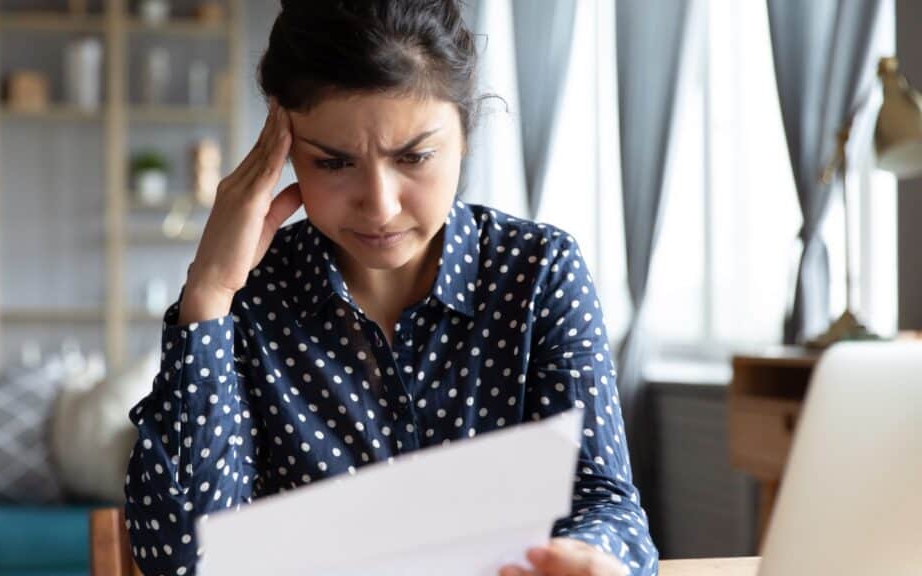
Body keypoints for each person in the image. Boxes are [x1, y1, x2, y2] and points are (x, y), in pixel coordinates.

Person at [123, 1, 658, 575]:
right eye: (333, 163)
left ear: (464, 133)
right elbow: (182, 561)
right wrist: (208, 292)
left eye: (415, 157)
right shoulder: (251, 296)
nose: (379, 205)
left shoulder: (537, 272)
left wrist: (595, 559)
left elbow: (606, 502)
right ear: (283, 150)